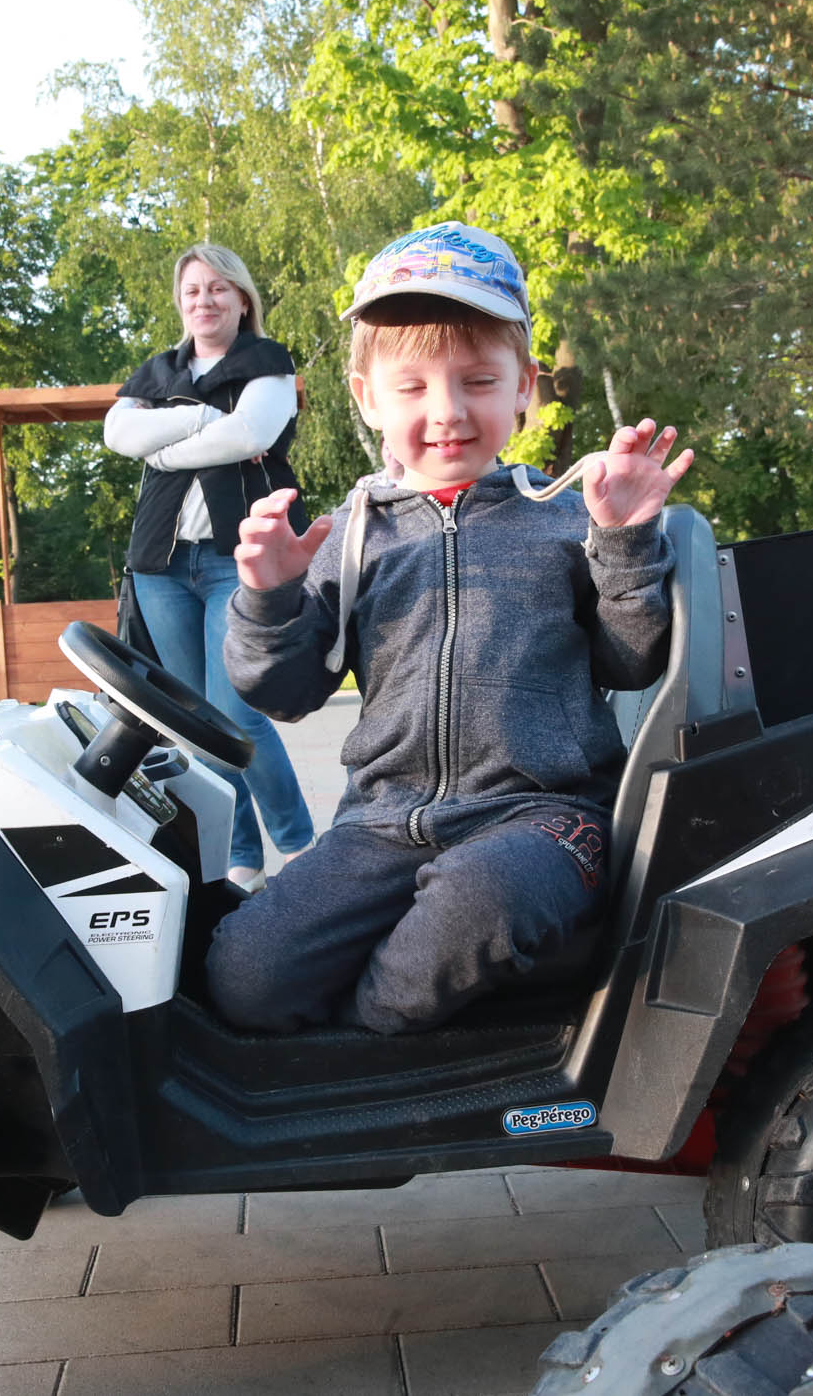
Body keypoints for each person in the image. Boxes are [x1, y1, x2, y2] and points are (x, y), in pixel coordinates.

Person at [207, 222, 692, 1034]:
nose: (447, 412)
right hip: (381, 823)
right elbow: (284, 693)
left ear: (522, 388)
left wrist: (624, 542)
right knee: (246, 974)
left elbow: (632, 659)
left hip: (542, 819)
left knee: (478, 897)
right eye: (411, 387)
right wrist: (269, 597)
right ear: (366, 396)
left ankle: (376, 1035)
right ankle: (414, 997)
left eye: (478, 381)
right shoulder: (350, 536)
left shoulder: (566, 520)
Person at [104, 244, 316, 891]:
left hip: (236, 559)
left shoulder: (267, 363)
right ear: (180, 301)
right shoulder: (158, 370)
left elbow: (249, 434)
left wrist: (166, 444)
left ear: (242, 299)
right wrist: (201, 417)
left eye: (219, 288)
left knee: (237, 711)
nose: (205, 300)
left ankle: (300, 847)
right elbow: (119, 434)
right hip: (161, 565)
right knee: (195, 724)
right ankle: (241, 857)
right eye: (193, 290)